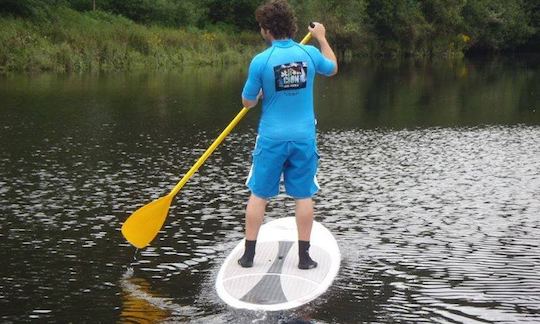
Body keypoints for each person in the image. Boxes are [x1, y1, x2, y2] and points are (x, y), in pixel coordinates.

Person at [238, 0, 337, 270]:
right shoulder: (309, 53)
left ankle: (248, 257)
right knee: (303, 196)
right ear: (291, 26)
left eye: (261, 27)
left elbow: (247, 102)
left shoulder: (261, 61)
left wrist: (258, 94)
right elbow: (332, 66)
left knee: (259, 195)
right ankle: (304, 259)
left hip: (272, 139)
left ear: (266, 30)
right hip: (303, 138)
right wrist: (322, 38)